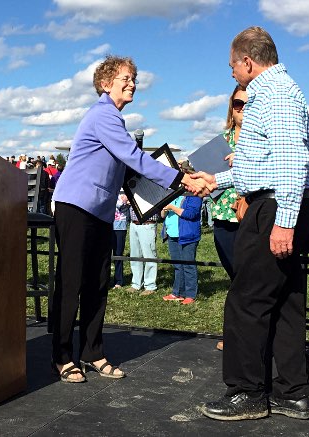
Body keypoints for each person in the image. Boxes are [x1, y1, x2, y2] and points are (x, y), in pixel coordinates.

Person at [51, 54, 207, 383]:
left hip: (100, 211)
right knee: (71, 283)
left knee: (97, 283)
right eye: (125, 77)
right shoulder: (102, 115)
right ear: (106, 84)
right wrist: (181, 180)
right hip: (76, 207)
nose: (132, 83)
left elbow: (127, 174)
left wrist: (167, 189)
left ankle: (92, 352)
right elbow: (133, 158)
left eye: (134, 78)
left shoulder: (114, 121)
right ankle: (62, 355)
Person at [193, 26, 309, 420]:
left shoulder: (274, 94)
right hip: (279, 202)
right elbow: (263, 164)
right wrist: (217, 179)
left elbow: (292, 163)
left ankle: (247, 392)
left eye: (232, 65)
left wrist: (284, 222)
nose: (231, 72)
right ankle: (293, 392)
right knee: (285, 301)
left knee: (247, 299)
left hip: (275, 208)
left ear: (247, 61)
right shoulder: (277, 92)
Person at [210, 86, 246, 351]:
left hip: (251, 218)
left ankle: (246, 335)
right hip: (222, 216)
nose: (241, 109)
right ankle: (234, 333)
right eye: (237, 104)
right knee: (235, 278)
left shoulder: (259, 140)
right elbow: (210, 179)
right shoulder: (220, 140)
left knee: (248, 278)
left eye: (246, 104)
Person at [161, 191, 202, 305]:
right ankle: (177, 292)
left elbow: (191, 214)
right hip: (172, 234)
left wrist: (172, 207)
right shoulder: (172, 195)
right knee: (177, 266)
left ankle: (190, 295)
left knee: (188, 265)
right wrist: (164, 209)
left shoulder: (194, 195)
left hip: (187, 234)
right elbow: (162, 216)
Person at [127, 207, 160, 295]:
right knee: (134, 256)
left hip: (147, 224)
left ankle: (150, 286)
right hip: (134, 223)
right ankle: (136, 284)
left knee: (149, 256)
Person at [112, 192, 130, 288]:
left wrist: (125, 202)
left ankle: (118, 281)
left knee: (118, 254)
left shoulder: (125, 192)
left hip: (120, 227)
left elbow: (125, 208)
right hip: (107, 225)